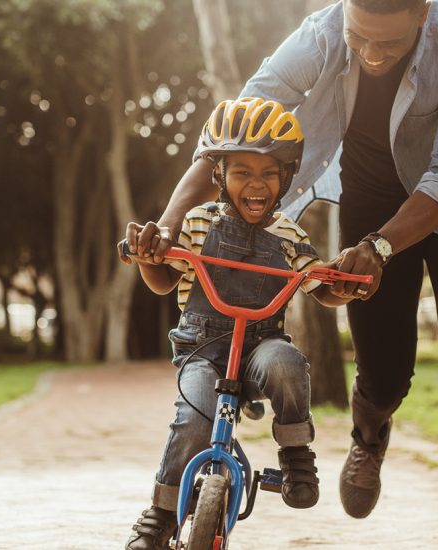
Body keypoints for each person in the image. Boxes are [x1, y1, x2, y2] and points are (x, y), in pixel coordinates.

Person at [131, 1, 438, 548]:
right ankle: (370, 430)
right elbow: (235, 128)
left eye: (389, 44)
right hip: (370, 194)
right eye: (361, 39)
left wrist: (381, 248)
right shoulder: (323, 32)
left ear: (424, 14)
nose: (372, 56)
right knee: (385, 370)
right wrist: (168, 225)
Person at [121, 97, 354, 550]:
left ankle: (295, 454)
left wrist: (339, 286)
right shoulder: (196, 222)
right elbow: (164, 281)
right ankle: (162, 513)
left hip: (259, 351)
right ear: (219, 176)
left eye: (269, 173)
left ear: (286, 177)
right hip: (201, 350)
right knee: (193, 420)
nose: (256, 183)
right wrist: (149, 258)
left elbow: (318, 285)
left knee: (287, 361)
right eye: (242, 172)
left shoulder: (290, 234)